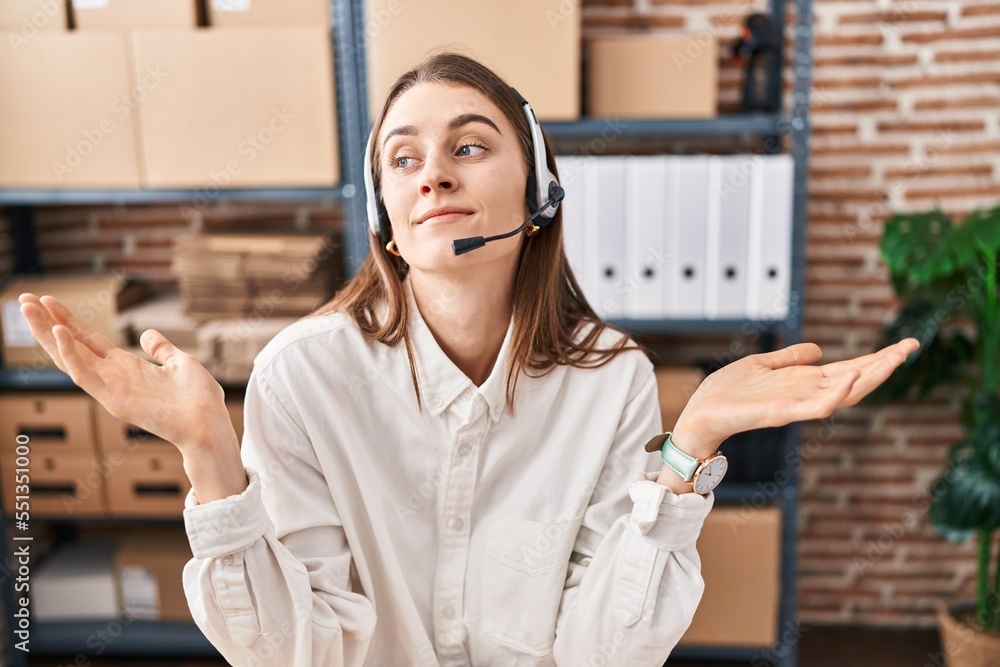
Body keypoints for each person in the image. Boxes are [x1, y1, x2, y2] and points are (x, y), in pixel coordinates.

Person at [17, 52, 919, 667]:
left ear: (539, 191)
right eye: (402, 158)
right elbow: (294, 651)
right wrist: (210, 454)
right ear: (386, 220)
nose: (432, 174)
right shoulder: (303, 376)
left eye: (470, 146)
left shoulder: (612, 381)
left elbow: (602, 649)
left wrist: (693, 448)